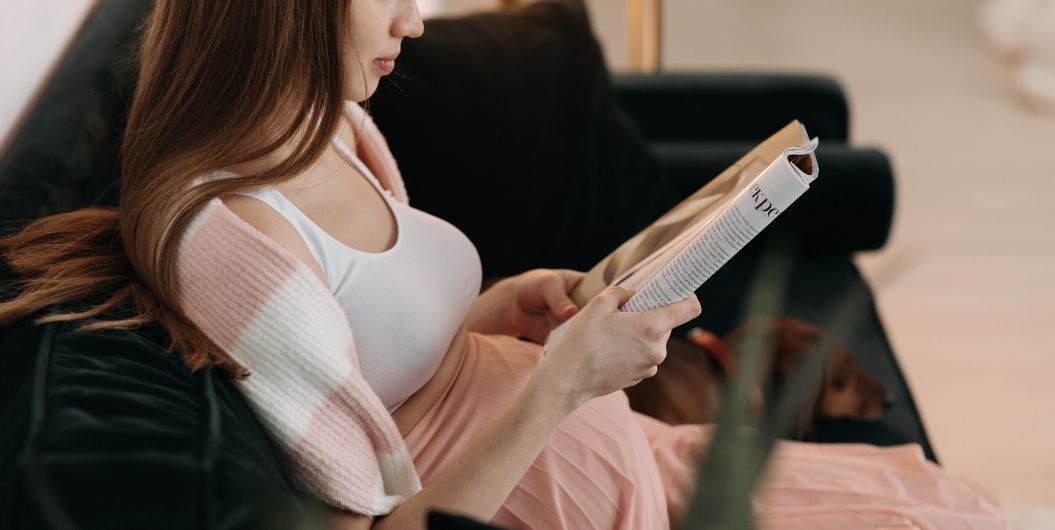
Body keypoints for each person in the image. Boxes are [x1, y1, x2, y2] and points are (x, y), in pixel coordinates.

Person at [0, 1, 1009, 529]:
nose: (416, 20)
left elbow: (383, 355)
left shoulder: (328, 125)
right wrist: (566, 377)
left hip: (641, 471)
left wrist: (495, 312)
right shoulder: (234, 239)